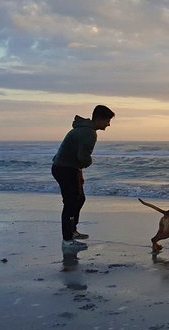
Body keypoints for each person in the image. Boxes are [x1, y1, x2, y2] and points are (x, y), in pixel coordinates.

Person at [52, 105, 114, 259]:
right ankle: (67, 240)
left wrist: (79, 173)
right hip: (65, 169)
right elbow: (83, 157)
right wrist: (89, 162)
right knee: (71, 203)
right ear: (99, 119)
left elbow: (76, 158)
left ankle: (72, 231)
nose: (109, 124)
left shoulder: (85, 130)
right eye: (107, 120)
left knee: (79, 199)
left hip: (67, 168)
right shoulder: (89, 133)